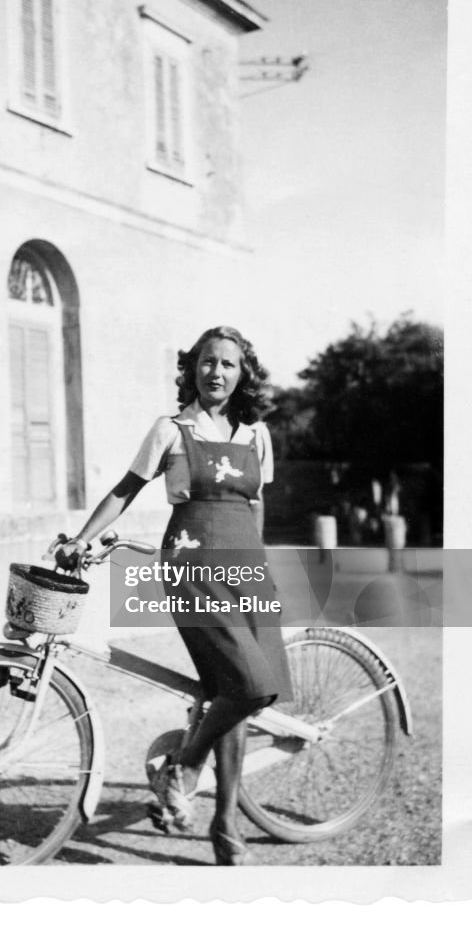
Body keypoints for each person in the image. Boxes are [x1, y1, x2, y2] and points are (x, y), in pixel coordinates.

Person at [56, 326, 292, 865]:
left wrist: (263, 567)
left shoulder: (256, 434)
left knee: (235, 692)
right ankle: (184, 768)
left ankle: (226, 827)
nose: (217, 373)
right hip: (194, 568)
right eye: (208, 362)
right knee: (250, 685)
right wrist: (82, 539)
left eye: (229, 365)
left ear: (242, 373)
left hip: (247, 570)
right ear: (192, 369)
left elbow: (256, 505)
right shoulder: (170, 429)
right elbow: (125, 488)